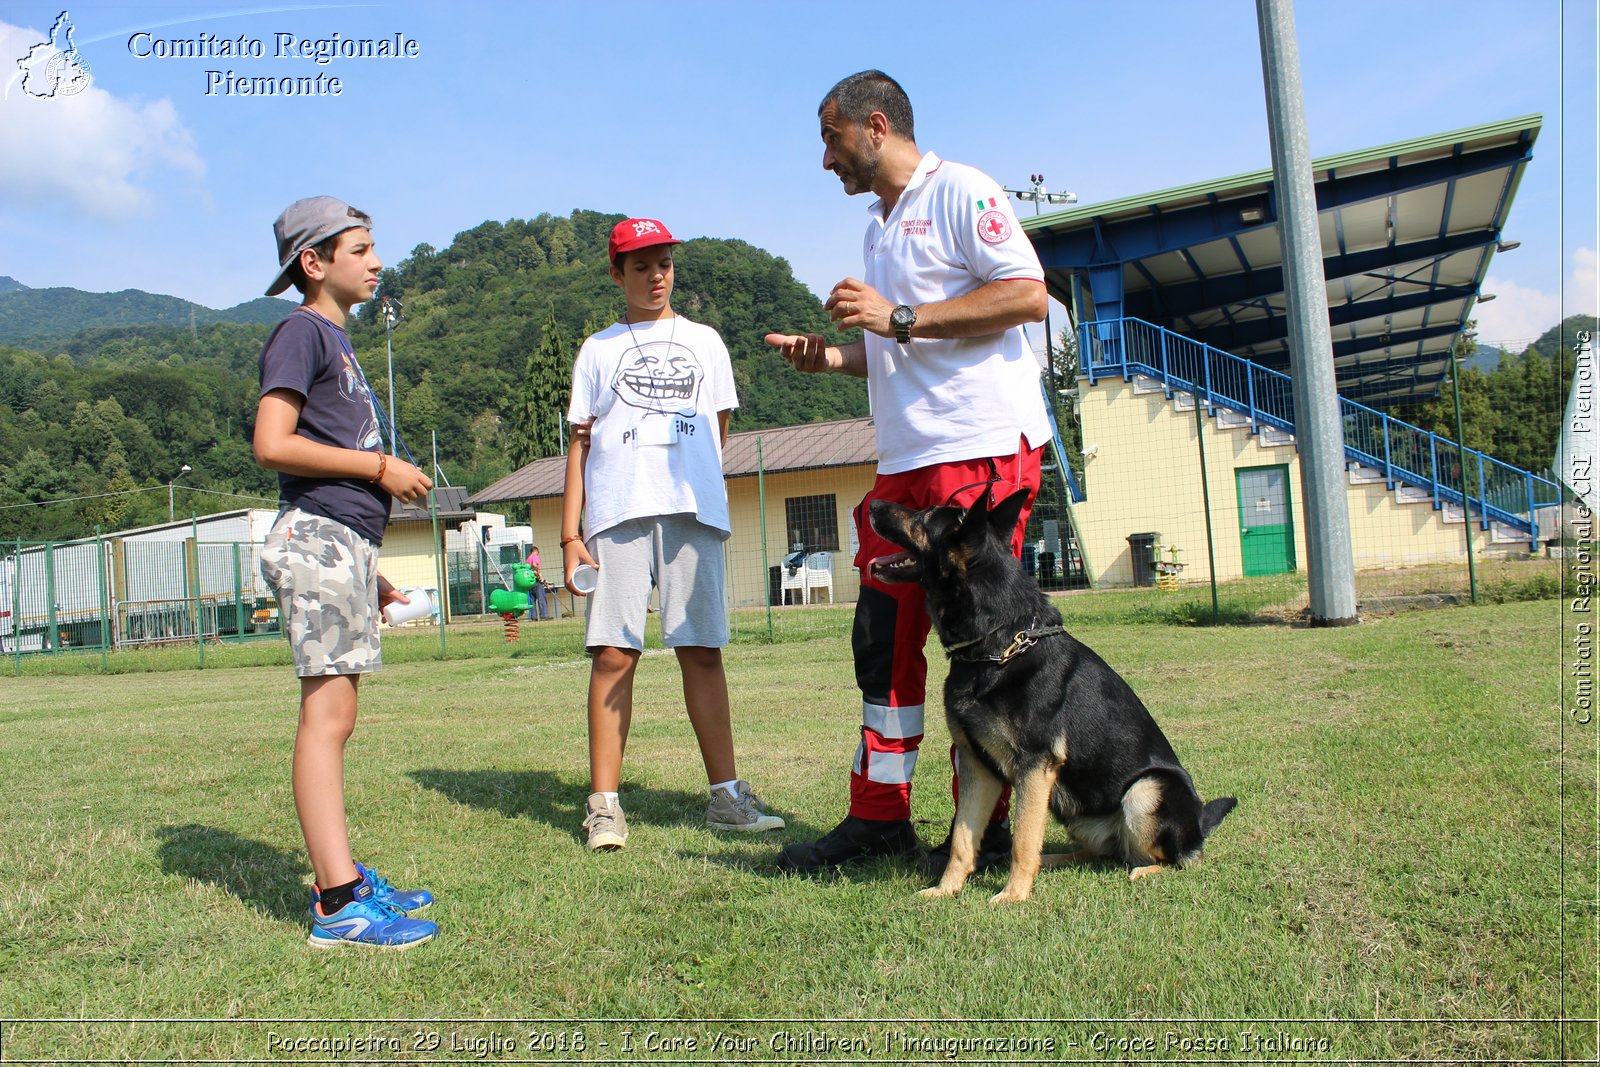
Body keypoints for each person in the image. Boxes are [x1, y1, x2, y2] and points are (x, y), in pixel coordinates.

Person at [764, 71, 1053, 874]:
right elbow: (900, 343)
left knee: (983, 640)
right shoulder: (877, 227)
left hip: (979, 448)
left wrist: (896, 316)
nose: (825, 159)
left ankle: (987, 828)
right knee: (883, 637)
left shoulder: (961, 190)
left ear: (876, 125)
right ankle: (880, 814)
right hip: (906, 459)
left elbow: (1027, 295)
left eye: (831, 138)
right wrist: (831, 358)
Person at [561, 218, 785, 851]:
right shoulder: (598, 351)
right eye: (640, 265)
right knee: (613, 653)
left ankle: (727, 797)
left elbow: (718, 432)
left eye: (663, 263)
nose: (655, 275)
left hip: (692, 511)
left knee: (702, 649)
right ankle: (604, 805)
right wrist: (570, 535)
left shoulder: (706, 342)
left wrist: (698, 487)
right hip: (618, 512)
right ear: (617, 273)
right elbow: (578, 447)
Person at [254, 196, 440, 948]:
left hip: (343, 548)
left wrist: (370, 573)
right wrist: (380, 465)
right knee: (326, 719)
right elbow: (273, 443)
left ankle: (348, 877)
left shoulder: (335, 339)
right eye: (360, 248)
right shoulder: (301, 331)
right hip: (320, 538)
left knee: (339, 716)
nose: (376, 260)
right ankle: (337, 903)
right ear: (314, 262)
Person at [526, 545, 550, 621]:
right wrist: (541, 578)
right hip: (537, 580)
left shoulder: (528, 559)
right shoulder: (534, 556)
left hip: (530, 581)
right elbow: (534, 565)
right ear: (535, 551)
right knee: (541, 598)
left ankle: (533, 617)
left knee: (532, 600)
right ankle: (544, 616)